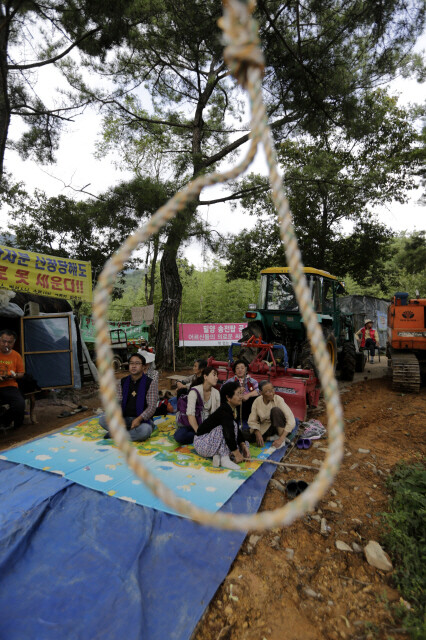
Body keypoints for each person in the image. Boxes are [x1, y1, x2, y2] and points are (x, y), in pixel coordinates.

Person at [100, 353, 158, 441]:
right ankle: (126, 434)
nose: (133, 366)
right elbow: (118, 402)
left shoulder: (150, 383)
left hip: (141, 421)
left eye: (137, 363)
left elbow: (152, 407)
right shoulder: (122, 382)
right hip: (125, 418)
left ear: (143, 367)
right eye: (131, 363)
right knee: (102, 420)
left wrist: (138, 419)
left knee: (145, 431)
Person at [194, 381, 250, 470]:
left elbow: (237, 433)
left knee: (244, 444)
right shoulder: (224, 411)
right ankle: (224, 459)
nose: (241, 397)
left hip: (211, 442)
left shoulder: (232, 409)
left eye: (241, 393)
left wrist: (243, 444)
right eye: (238, 394)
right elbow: (228, 433)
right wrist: (237, 453)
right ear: (228, 397)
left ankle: (218, 456)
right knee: (226, 428)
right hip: (202, 443)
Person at [174, 366, 220, 445]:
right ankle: (202, 436)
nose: (216, 378)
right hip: (193, 423)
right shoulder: (194, 391)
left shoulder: (216, 393)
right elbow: (190, 414)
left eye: (217, 376)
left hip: (207, 425)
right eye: (214, 375)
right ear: (205, 376)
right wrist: (199, 432)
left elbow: (217, 414)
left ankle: (205, 436)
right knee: (179, 436)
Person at [248, 380, 295, 448]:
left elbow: (291, 420)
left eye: (272, 390)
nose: (271, 393)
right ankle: (272, 438)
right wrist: (257, 432)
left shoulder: (278, 399)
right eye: (267, 391)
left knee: (275, 410)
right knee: (245, 436)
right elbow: (252, 420)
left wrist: (281, 439)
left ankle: (281, 439)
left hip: (280, 428)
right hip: (266, 427)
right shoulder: (257, 401)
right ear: (261, 393)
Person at [0, 329, 25, 430]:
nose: (6, 344)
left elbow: (21, 373)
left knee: (19, 404)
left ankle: (6, 422)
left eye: (9, 342)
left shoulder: (16, 356)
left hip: (10, 386)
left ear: (13, 343)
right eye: (3, 341)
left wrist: (14, 376)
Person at [227, 359, 259, 424]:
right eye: (237, 368)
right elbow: (223, 390)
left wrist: (248, 395)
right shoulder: (230, 381)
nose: (240, 370)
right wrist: (237, 390)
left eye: (242, 368)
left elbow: (258, 390)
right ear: (235, 371)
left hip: (248, 405)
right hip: (236, 405)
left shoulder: (252, 381)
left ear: (246, 370)